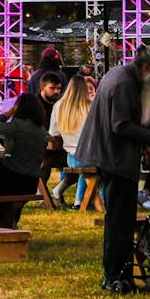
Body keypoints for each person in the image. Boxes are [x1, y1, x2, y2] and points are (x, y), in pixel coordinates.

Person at [75, 45, 150, 292]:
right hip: (114, 159)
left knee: (120, 220)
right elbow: (120, 125)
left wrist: (143, 146)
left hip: (114, 155)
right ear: (146, 67)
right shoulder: (124, 84)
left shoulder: (120, 74)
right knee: (121, 221)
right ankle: (116, 277)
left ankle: (118, 274)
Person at [0, 93, 48, 223]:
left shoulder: (18, 126)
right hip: (31, 182)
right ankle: (10, 222)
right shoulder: (41, 130)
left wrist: (7, 113)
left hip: (13, 179)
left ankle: (0, 222)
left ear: (18, 108)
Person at [48, 76, 93, 208]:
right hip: (91, 155)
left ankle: (79, 201)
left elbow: (53, 132)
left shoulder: (59, 106)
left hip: (72, 157)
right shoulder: (90, 106)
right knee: (96, 169)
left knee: (85, 170)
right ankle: (83, 202)